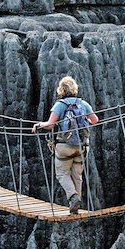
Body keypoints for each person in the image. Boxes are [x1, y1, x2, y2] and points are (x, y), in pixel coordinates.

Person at [31, 76, 99, 214]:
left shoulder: (60, 104)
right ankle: (76, 206)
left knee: (62, 173)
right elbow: (95, 120)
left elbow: (50, 125)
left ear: (61, 90)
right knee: (77, 175)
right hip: (82, 147)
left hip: (64, 146)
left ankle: (73, 197)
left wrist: (39, 125)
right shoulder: (83, 104)